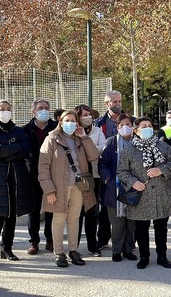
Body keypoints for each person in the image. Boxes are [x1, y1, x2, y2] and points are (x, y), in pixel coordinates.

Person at [38, 110, 100, 267]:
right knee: (58, 219)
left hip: (79, 187)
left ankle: (73, 250)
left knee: (74, 219)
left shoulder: (80, 140)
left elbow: (93, 156)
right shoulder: (51, 138)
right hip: (59, 187)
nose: (70, 123)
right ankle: (59, 253)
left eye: (73, 121)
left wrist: (84, 137)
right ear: (60, 122)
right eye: (67, 120)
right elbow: (43, 166)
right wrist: (49, 190)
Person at [117, 116, 171, 269]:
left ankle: (162, 257)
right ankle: (144, 257)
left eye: (149, 125)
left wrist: (161, 170)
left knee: (161, 228)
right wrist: (133, 182)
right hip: (141, 195)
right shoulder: (129, 149)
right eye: (143, 126)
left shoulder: (163, 146)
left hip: (161, 194)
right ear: (136, 131)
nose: (147, 128)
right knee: (142, 229)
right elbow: (122, 171)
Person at [0, 100, 33, 266]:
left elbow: (25, 150)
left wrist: (5, 153)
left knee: (12, 214)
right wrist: (13, 150)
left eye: (8, 109)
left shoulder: (19, 131)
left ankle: (7, 248)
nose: (5, 112)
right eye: (2, 109)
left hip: (17, 177)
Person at [98, 113, 138, 262]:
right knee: (117, 223)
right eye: (121, 125)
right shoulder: (110, 143)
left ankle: (128, 249)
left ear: (133, 127)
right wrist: (109, 180)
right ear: (117, 127)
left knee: (131, 222)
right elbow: (102, 164)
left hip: (134, 189)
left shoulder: (138, 143)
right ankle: (116, 251)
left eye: (128, 124)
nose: (125, 127)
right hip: (114, 189)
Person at [24, 98, 57, 255]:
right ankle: (34, 241)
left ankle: (50, 240)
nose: (44, 110)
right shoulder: (25, 130)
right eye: (40, 108)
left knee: (51, 207)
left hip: (53, 174)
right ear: (34, 111)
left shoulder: (56, 128)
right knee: (34, 209)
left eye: (46, 107)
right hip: (32, 175)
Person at [94, 90, 124, 250]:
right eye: (114, 102)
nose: (118, 104)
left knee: (128, 204)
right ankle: (103, 239)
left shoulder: (130, 121)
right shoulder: (98, 123)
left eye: (119, 101)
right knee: (105, 206)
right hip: (105, 170)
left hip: (127, 171)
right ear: (107, 104)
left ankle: (127, 241)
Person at [74, 105, 106, 256]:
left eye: (89, 114)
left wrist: (88, 149)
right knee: (77, 212)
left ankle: (93, 246)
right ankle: (74, 247)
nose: (87, 117)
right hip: (78, 176)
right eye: (84, 115)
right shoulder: (73, 131)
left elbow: (101, 149)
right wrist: (91, 150)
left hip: (94, 175)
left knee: (92, 211)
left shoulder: (98, 130)